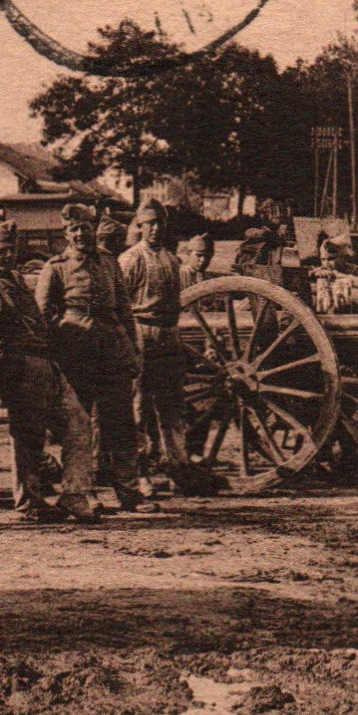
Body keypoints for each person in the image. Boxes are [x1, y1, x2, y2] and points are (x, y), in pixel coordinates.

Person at [0, 220, 102, 522]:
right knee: (28, 437)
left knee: (78, 424)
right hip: (21, 368)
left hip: (47, 364)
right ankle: (29, 502)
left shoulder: (17, 281)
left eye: (12, 248)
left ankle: (75, 495)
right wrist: (3, 361)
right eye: (1, 250)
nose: (8, 254)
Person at [36, 203, 157, 512]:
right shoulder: (56, 267)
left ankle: (129, 492)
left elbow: (125, 310)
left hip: (112, 351)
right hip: (76, 355)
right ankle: (82, 493)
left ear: (92, 231)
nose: (80, 234)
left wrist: (132, 349)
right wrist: (60, 343)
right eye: (74, 230)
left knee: (121, 423)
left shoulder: (108, 263)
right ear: (65, 234)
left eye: (85, 229)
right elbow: (42, 316)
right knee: (78, 427)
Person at [121, 200, 224, 498]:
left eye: (159, 224)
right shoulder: (130, 260)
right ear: (140, 226)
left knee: (171, 408)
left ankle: (178, 469)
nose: (154, 229)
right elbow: (120, 306)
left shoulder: (170, 261)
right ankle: (141, 474)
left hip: (169, 335)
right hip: (140, 334)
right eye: (149, 224)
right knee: (138, 409)